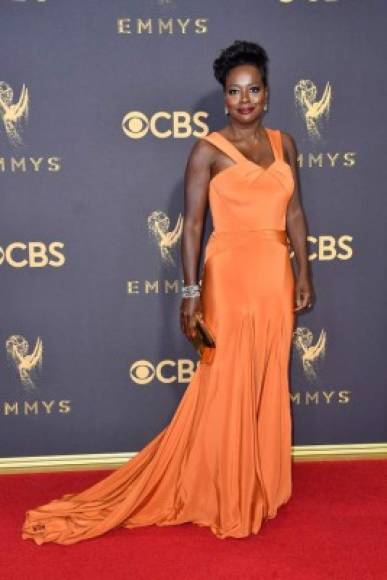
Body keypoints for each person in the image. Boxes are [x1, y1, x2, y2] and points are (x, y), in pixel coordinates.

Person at [22, 40, 314, 546]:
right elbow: (193, 226)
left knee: (268, 374)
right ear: (224, 98)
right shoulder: (206, 149)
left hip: (275, 274)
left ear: (267, 94)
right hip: (230, 274)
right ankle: (226, 488)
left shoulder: (285, 144)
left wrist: (305, 272)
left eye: (254, 89)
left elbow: (293, 214)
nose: (245, 100)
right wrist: (190, 290)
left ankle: (260, 483)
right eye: (234, 91)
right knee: (225, 380)